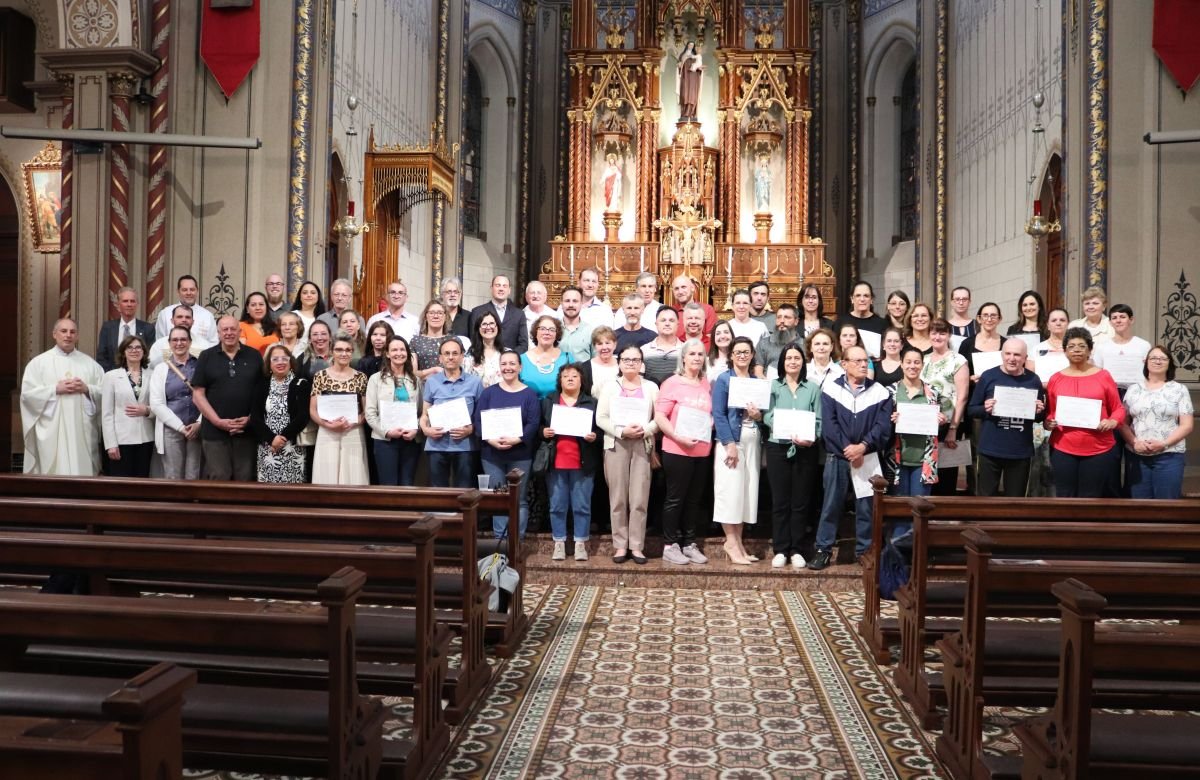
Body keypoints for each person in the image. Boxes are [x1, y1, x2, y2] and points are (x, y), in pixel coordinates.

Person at [807, 345, 894, 571]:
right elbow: (829, 426)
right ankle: (823, 550)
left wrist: (863, 447)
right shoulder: (830, 389)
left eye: (865, 361)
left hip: (869, 458)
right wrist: (848, 448)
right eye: (857, 361)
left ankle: (865, 552)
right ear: (843, 364)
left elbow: (883, 427)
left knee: (866, 507)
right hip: (838, 456)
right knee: (830, 505)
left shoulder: (881, 392)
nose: (863, 365)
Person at [597, 344, 659, 565]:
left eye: (635, 360)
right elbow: (601, 418)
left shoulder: (651, 387)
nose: (631, 363)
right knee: (618, 498)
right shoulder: (609, 387)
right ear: (619, 362)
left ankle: (637, 545)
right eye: (626, 359)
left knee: (640, 497)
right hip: (617, 444)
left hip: (642, 444)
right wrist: (621, 430)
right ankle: (620, 545)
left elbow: (658, 417)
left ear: (642, 363)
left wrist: (647, 430)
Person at [654, 338, 713, 566]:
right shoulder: (672, 382)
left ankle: (689, 543)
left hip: (701, 450)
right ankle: (670, 545)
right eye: (693, 354)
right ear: (684, 357)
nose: (697, 358)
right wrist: (678, 437)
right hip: (677, 449)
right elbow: (660, 416)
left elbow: (709, 414)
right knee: (675, 499)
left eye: (700, 354)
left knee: (694, 500)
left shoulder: (706, 383)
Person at [1044, 327, 1124, 497]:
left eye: (1082, 346)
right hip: (1063, 447)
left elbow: (1118, 409)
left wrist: (1111, 422)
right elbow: (1051, 413)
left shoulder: (1103, 376)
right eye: (1071, 346)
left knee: (1091, 497)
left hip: (1098, 447)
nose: (1077, 350)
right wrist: (1048, 422)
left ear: (1090, 350)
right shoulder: (1055, 378)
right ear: (1065, 351)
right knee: (1064, 495)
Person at [20, 318, 104, 476]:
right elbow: (27, 396)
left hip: (81, 431)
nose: (68, 335)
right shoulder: (38, 363)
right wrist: (54, 389)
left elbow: (105, 394)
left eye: (72, 332)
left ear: (77, 336)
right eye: (63, 331)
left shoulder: (90, 365)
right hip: (52, 430)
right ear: (54, 334)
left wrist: (87, 389)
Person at [763, 342, 821, 568]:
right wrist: (783, 426)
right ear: (782, 362)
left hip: (805, 449)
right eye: (789, 359)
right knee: (780, 501)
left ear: (803, 362)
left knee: (800, 501)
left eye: (797, 358)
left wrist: (811, 437)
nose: (793, 362)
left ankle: (796, 549)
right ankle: (780, 548)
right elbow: (767, 416)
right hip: (778, 447)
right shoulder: (773, 386)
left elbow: (819, 419)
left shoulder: (813, 388)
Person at [968, 338, 1047, 497]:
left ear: (1025, 358)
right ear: (1002, 355)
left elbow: (1039, 418)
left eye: (1017, 355)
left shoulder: (1033, 380)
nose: (1012, 358)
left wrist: (1039, 411)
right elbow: (971, 410)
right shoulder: (989, 376)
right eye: (1008, 354)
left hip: (1020, 451)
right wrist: (986, 408)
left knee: (1015, 503)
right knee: (986, 500)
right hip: (990, 450)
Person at [711, 336, 765, 565]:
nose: (742, 355)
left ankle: (739, 543)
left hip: (753, 440)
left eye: (746, 351)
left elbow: (763, 415)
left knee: (746, 493)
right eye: (738, 352)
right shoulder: (724, 380)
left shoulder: (756, 380)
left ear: (752, 355)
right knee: (730, 491)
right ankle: (730, 542)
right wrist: (729, 444)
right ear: (731, 355)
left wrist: (757, 415)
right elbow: (719, 414)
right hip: (731, 441)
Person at [474, 349, 539, 536]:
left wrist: (516, 439)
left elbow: (533, 423)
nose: (508, 367)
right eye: (504, 364)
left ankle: (516, 543)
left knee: (519, 499)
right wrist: (491, 440)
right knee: (498, 498)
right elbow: (478, 421)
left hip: (520, 454)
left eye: (512, 364)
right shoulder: (488, 393)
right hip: (492, 455)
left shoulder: (530, 394)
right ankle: (499, 542)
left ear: (520, 367)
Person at [192, 315, 263, 480]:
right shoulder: (206, 356)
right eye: (225, 329)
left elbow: (262, 393)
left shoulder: (254, 356)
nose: (229, 333)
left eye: (233, 329)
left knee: (245, 480)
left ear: (240, 332)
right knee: (219, 479)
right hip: (214, 432)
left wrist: (251, 418)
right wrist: (217, 421)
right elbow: (198, 395)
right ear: (218, 333)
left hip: (247, 431)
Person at [542, 363, 600, 560]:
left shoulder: (590, 402)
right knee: (557, 504)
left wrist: (594, 436)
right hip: (556, 461)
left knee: (581, 505)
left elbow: (600, 431)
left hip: (582, 462)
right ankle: (559, 541)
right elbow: (539, 425)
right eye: (565, 376)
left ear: (581, 380)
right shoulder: (550, 400)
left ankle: (580, 542)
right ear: (559, 380)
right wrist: (544, 431)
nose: (569, 379)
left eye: (574, 376)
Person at [1120, 346, 1193, 499]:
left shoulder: (1179, 389)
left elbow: (1187, 425)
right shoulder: (1133, 389)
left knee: (1167, 506)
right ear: (1146, 362)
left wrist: (1164, 443)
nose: (1158, 361)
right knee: (1138, 507)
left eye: (1163, 358)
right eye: (1153, 358)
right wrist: (1134, 443)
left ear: (1169, 363)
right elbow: (1123, 423)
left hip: (1169, 455)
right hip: (1137, 456)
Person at [420, 337, 481, 487]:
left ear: (462, 356)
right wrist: (426, 429)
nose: (451, 357)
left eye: (455, 353)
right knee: (438, 492)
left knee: (465, 491)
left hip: (465, 447)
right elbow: (424, 415)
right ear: (440, 358)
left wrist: (470, 429)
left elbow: (481, 418)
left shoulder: (475, 382)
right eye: (446, 353)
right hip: (436, 445)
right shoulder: (431, 382)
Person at [309, 332, 369, 485]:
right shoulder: (320, 376)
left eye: (348, 350)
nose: (344, 353)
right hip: (327, 432)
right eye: (339, 350)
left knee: (354, 474)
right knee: (326, 474)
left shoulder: (361, 377)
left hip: (353, 432)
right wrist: (328, 425)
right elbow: (313, 410)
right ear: (332, 352)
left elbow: (366, 411)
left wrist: (352, 423)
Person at [364, 335, 423, 486]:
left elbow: (422, 412)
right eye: (394, 350)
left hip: (410, 440)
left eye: (402, 349)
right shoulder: (375, 379)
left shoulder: (415, 380)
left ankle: (407, 511)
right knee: (388, 484)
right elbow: (370, 413)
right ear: (387, 354)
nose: (399, 353)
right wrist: (386, 432)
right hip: (385, 440)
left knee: (407, 483)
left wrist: (415, 429)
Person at [889, 346, 944, 504]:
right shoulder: (890, 391)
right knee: (898, 508)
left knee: (919, 507)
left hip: (924, 460)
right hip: (897, 459)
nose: (912, 366)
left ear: (922, 364)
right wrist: (890, 419)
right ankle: (899, 531)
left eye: (917, 362)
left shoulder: (933, 392)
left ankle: (917, 531)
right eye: (908, 362)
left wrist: (941, 420)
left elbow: (943, 419)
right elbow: (881, 424)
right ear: (901, 364)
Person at [920, 318, 969, 495]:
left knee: (946, 473)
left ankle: (945, 515)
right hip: (926, 424)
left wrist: (953, 428)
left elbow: (962, 396)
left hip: (949, 422)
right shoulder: (924, 359)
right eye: (934, 332)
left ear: (948, 335)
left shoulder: (958, 360)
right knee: (927, 470)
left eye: (942, 333)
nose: (938, 336)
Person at [251, 343, 310, 483]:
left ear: (291, 362)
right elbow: (255, 416)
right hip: (268, 447)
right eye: (275, 359)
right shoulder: (262, 385)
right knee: (268, 492)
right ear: (269, 364)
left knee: (293, 491)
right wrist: (271, 439)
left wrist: (281, 438)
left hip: (292, 446)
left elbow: (303, 416)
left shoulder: (301, 384)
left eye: (284, 358)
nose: (280, 362)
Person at [149, 325, 202, 480]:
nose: (179, 343)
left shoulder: (200, 365)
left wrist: (199, 423)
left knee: (194, 474)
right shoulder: (161, 369)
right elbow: (156, 403)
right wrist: (180, 427)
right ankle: (174, 505)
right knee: (173, 475)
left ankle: (193, 504)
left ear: (190, 342)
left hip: (196, 429)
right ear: (170, 343)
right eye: (175, 340)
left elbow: (210, 397)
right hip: (172, 429)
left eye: (183, 339)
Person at [100, 335, 154, 477]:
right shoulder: (111, 377)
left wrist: (147, 410)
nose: (134, 350)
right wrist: (110, 444)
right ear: (123, 352)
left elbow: (160, 405)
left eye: (138, 347)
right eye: (129, 347)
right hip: (121, 440)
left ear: (144, 351)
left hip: (146, 437)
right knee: (121, 483)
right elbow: (106, 413)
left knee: (143, 483)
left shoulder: (153, 375)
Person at [1091, 303, 1151, 393]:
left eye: (1122, 317)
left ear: (1131, 320)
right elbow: (1097, 372)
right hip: (1110, 392)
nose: (1118, 321)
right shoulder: (1102, 347)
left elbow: (1150, 372)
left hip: (1138, 392)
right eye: (1114, 318)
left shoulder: (1144, 345)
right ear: (1110, 322)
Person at [97, 286, 155, 372]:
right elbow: (102, 357)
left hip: (139, 377)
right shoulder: (108, 328)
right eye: (125, 301)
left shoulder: (147, 328)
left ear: (137, 304)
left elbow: (149, 356)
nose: (129, 304)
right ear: (118, 304)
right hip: (113, 377)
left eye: (132, 301)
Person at [471, 274, 530, 352]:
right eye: (498, 285)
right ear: (491, 288)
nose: (501, 289)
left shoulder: (519, 314)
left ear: (509, 290)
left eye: (504, 286)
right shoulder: (477, 312)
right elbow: (473, 340)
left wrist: (509, 357)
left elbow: (523, 344)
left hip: (510, 361)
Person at [155, 274, 218, 343]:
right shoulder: (165, 314)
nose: (189, 293)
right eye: (184, 290)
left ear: (197, 291)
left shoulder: (207, 316)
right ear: (178, 291)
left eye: (192, 289)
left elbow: (213, 343)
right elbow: (159, 342)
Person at [522, 315, 572, 398]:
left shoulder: (567, 358)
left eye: (552, 330)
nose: (547, 333)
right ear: (535, 332)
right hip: (529, 408)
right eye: (542, 329)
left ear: (557, 334)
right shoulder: (521, 360)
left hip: (558, 409)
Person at [833, 281, 888, 357]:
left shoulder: (882, 324)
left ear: (871, 299)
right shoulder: (840, 322)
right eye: (858, 295)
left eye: (866, 296)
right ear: (852, 299)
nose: (862, 299)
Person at [148, 304, 212, 368]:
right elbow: (151, 369)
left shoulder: (204, 345)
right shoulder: (159, 345)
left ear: (193, 322)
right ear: (172, 321)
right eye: (179, 317)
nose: (184, 320)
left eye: (187, 317)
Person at [959, 302, 1003, 382]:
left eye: (993, 316)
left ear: (999, 319)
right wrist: (970, 379)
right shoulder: (967, 344)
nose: (989, 319)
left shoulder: (1006, 344)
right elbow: (958, 374)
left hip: (998, 391)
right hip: (974, 391)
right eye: (985, 315)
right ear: (979, 319)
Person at [411, 299, 455, 380]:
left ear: (446, 317)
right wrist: (434, 370)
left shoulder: (453, 340)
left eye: (440, 313)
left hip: (450, 387)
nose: (435, 316)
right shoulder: (416, 341)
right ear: (426, 316)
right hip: (424, 388)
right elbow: (413, 372)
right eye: (431, 313)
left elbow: (459, 370)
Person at [755, 303, 798, 379]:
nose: (782, 321)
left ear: (796, 321)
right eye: (779, 317)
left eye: (787, 317)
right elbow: (758, 372)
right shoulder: (764, 343)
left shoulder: (804, 344)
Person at [642, 307, 682, 387]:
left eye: (671, 320)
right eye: (663, 320)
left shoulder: (686, 351)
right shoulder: (644, 350)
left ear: (678, 324)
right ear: (656, 324)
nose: (667, 324)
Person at [670, 275, 717, 341]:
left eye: (683, 287)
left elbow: (710, 338)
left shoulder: (707, 310)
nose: (680, 292)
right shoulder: (670, 311)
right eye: (676, 288)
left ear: (692, 288)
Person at [558, 286, 597, 361]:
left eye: (575, 301)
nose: (571, 305)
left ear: (581, 304)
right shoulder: (553, 329)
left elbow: (596, 361)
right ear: (561, 303)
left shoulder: (591, 332)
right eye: (567, 301)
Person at [467, 311, 505, 388]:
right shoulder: (470, 355)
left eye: (491, 323)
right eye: (484, 324)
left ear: (497, 327)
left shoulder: (507, 353)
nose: (488, 327)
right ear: (478, 329)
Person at [676, 40, 704, 121]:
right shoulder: (683, 55)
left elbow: (699, 66)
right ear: (687, 46)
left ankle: (692, 113)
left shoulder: (696, 56)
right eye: (689, 45)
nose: (691, 47)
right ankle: (684, 113)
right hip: (685, 78)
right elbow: (679, 67)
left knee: (692, 95)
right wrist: (679, 65)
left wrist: (700, 69)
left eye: (692, 45)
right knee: (685, 94)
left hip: (693, 79)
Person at [587, 326, 619, 392]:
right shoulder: (585, 367)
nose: (604, 347)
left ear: (615, 345)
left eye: (607, 343)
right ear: (594, 346)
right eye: (600, 344)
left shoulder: (622, 365)